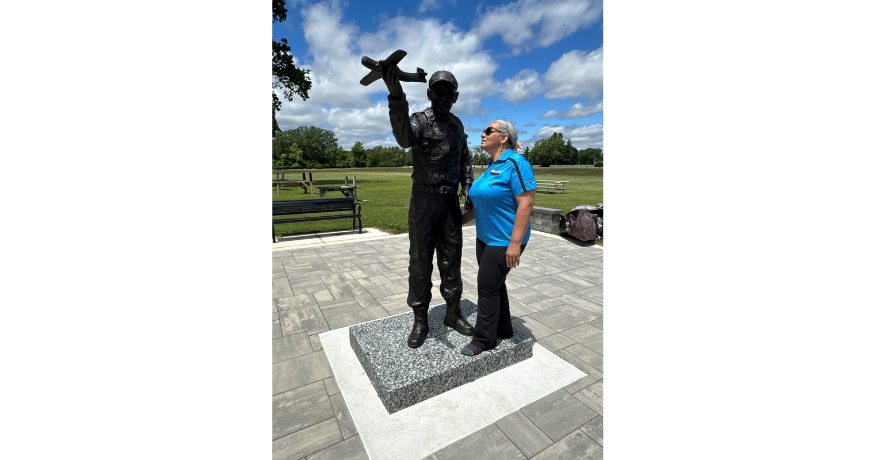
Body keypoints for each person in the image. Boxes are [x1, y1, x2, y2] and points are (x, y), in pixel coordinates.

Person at [380, 63, 475, 348]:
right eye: (438, 91)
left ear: (456, 97)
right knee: (420, 262)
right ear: (429, 93)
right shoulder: (420, 121)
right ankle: (420, 319)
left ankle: (453, 313)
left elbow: (464, 161)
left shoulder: (457, 126)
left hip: (449, 204)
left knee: (452, 259)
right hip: (423, 201)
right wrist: (396, 94)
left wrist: (468, 185)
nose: (444, 97)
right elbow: (403, 137)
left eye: (449, 93)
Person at [459, 120, 536, 356]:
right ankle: (503, 329)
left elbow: (526, 203)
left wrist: (514, 244)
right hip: (485, 238)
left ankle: (483, 340)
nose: (482, 134)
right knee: (496, 284)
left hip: (504, 240)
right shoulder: (492, 165)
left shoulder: (516, 163)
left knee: (487, 289)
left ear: (504, 138)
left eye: (488, 131)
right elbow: (479, 205)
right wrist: (457, 222)